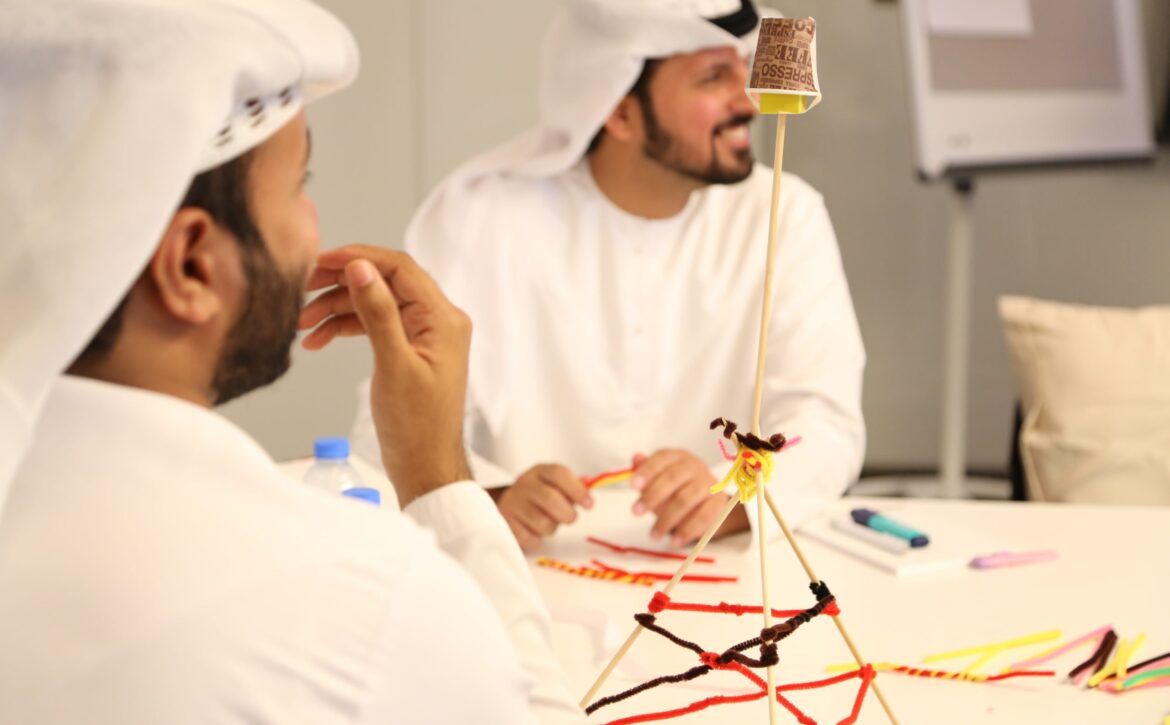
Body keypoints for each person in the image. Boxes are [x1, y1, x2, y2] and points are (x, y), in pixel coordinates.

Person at [0, 2, 582, 723]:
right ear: (190, 264)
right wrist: (440, 480)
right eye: (300, 185)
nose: (318, 230)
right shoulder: (359, 600)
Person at [351, 0, 866, 552]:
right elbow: (391, 422)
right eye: (713, 77)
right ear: (618, 111)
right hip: (531, 569)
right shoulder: (482, 217)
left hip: (720, 565)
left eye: (742, 71)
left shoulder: (784, 212)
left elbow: (826, 418)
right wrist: (489, 498)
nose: (747, 102)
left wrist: (738, 491)